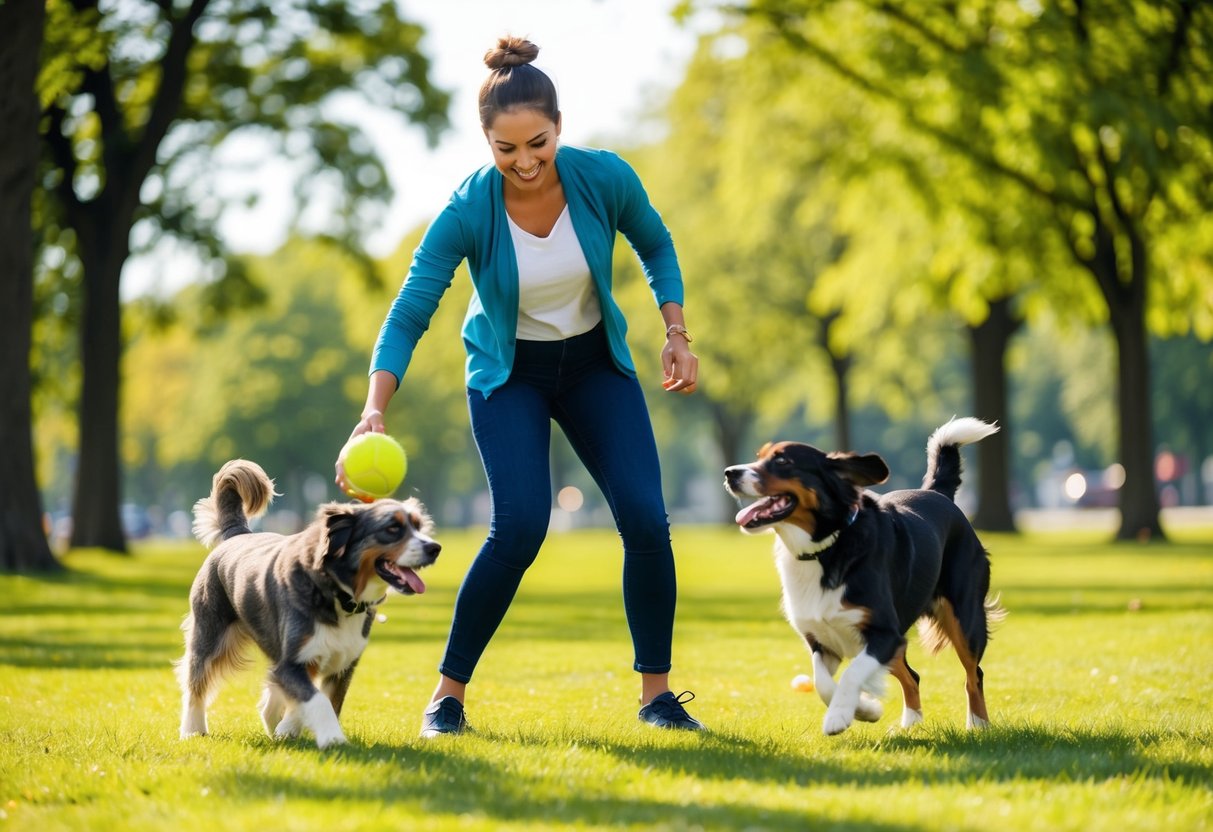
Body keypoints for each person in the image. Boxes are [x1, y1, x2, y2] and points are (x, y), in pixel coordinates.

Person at [336, 35, 704, 737]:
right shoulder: (470, 209)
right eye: (507, 151)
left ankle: (656, 696)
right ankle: (447, 697)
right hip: (510, 376)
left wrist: (675, 331)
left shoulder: (603, 178)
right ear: (486, 144)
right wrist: (372, 409)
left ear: (558, 128)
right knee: (520, 526)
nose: (526, 162)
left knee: (646, 519)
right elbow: (412, 307)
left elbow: (654, 243)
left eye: (538, 143)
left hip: (596, 365)